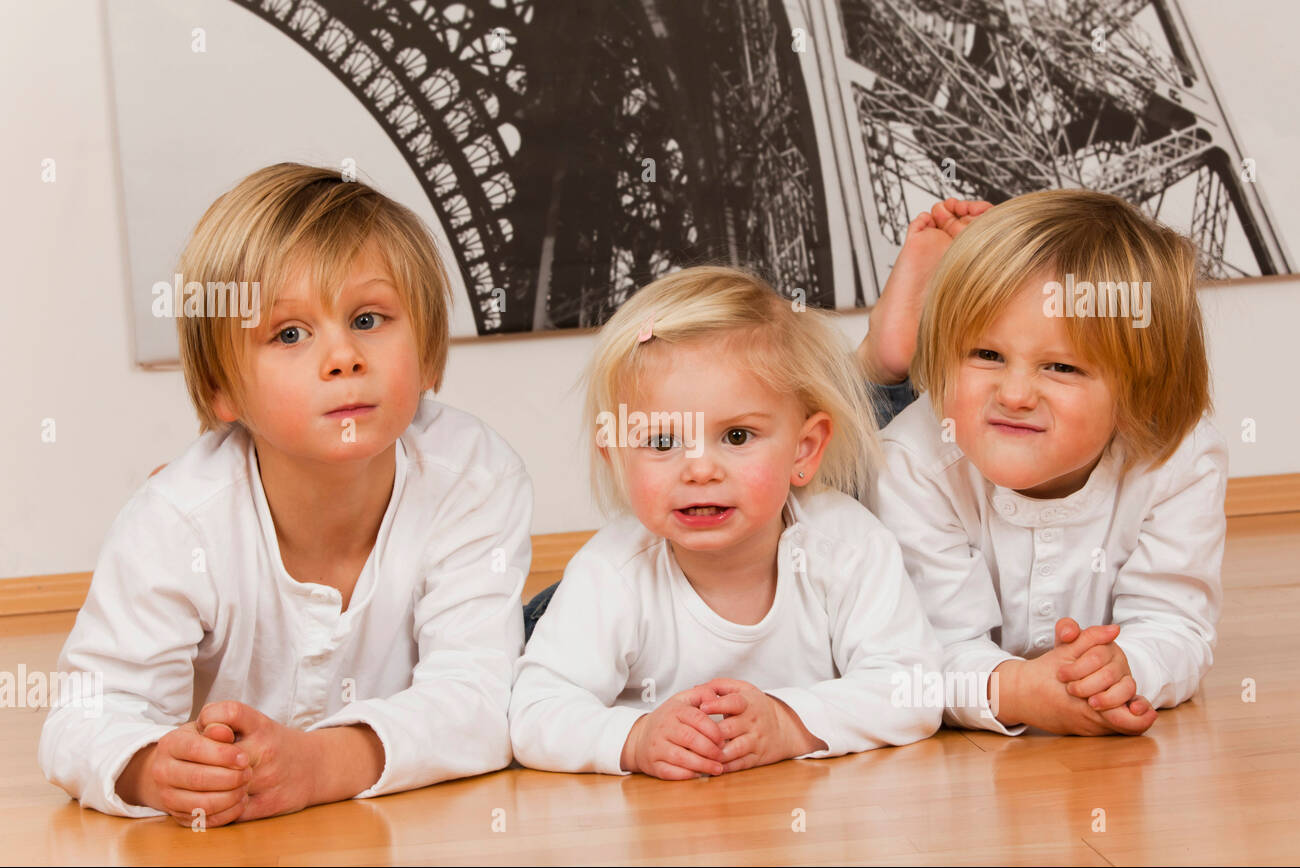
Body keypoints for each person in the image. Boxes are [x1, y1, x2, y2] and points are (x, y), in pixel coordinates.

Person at [38, 163, 533, 825]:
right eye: (290, 334)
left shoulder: (474, 475)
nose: (343, 357)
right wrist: (150, 767)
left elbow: (482, 698)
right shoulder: (177, 520)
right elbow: (84, 714)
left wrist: (318, 765)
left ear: (430, 354)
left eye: (368, 317)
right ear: (223, 393)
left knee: (550, 654)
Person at [509, 265, 942, 778]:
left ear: (805, 448)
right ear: (617, 459)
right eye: (663, 442)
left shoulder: (847, 544)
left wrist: (788, 723)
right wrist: (634, 737)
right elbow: (534, 712)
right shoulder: (612, 572)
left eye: (736, 437)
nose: (700, 470)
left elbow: (913, 688)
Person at [868, 189, 1226, 736]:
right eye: (986, 354)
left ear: (1143, 393)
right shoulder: (913, 462)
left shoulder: (1179, 455)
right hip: (858, 488)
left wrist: (1127, 669)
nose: (1014, 394)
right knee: (820, 484)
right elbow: (920, 656)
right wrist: (1013, 691)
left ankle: (898, 365)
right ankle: (883, 366)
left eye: (1059, 366)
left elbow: (1175, 622)